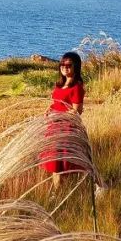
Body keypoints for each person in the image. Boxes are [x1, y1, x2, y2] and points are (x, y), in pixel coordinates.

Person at [42, 51, 85, 185]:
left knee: (64, 162)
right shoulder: (59, 85)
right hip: (54, 126)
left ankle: (99, 185)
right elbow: (57, 103)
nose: (64, 67)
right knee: (55, 163)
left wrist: (59, 116)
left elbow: (77, 111)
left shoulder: (76, 87)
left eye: (68, 65)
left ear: (75, 67)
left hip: (66, 127)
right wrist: (50, 109)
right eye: (62, 64)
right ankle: (58, 192)